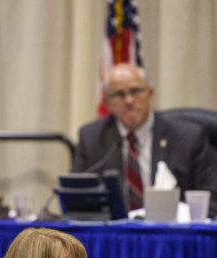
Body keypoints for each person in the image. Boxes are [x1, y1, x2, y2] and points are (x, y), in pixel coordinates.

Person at [72, 63, 217, 217]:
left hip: (172, 233)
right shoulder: (92, 137)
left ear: (150, 93)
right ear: (107, 103)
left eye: (135, 91)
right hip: (116, 234)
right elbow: (76, 197)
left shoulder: (188, 137)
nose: (129, 100)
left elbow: (211, 199)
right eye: (120, 94)